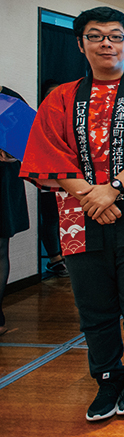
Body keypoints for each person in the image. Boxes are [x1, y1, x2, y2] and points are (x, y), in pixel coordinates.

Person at [19, 6, 124, 421]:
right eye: (96, 36)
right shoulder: (60, 98)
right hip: (79, 215)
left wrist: (112, 190)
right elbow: (46, 152)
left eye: (115, 36)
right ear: (80, 44)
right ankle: (107, 378)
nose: (106, 43)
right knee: (94, 307)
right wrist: (92, 196)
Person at [0, 86, 31, 336]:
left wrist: (11, 152)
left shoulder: (9, 98)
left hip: (3, 182)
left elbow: (28, 141)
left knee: (0, 247)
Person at [39, 79, 69, 278]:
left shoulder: (73, 117)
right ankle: (55, 259)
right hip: (48, 177)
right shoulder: (39, 120)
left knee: (67, 217)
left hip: (72, 178)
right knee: (50, 217)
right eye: (50, 93)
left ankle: (68, 256)